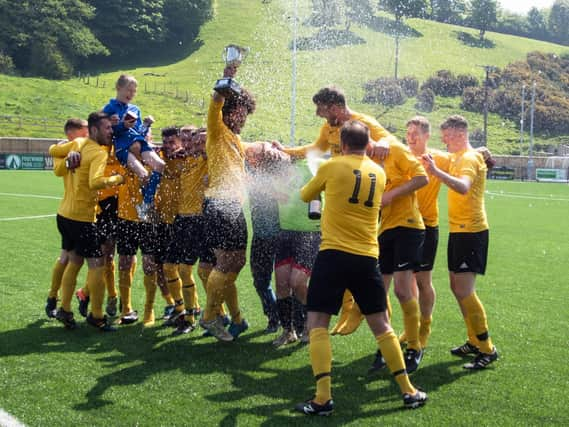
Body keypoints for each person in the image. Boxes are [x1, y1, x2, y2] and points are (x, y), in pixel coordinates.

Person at [294, 120, 427, 416]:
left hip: (333, 255)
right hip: (367, 257)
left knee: (317, 324)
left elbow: (306, 196)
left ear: (342, 144)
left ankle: (322, 398)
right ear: (368, 145)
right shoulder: (378, 172)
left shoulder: (331, 167)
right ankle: (408, 390)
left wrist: (320, 187)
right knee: (382, 325)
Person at [272, 85, 392, 335]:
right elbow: (314, 150)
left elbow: (389, 139)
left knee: (364, 262)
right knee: (344, 259)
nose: (318, 114)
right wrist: (285, 151)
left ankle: (370, 313)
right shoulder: (328, 129)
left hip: (362, 203)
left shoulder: (362, 123)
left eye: (321, 109)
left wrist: (384, 143)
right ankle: (350, 309)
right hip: (339, 205)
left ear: (335, 108)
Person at [199, 64, 285, 342]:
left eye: (246, 114)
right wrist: (229, 73)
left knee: (232, 263)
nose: (244, 118)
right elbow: (216, 101)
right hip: (222, 205)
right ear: (230, 110)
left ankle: (224, 315)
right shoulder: (217, 128)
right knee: (227, 264)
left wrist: (272, 146)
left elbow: (252, 149)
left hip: (227, 206)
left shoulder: (234, 138)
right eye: (242, 113)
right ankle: (210, 316)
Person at [421, 115, 499, 369]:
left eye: (446, 137)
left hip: (472, 233)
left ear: (458, 134)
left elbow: (464, 186)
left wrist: (435, 172)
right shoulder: (461, 154)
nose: (443, 141)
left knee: (465, 290)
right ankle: (474, 340)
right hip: (458, 231)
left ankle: (487, 349)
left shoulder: (467, 158)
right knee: (457, 288)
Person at [48, 112, 123, 331]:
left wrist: (63, 150)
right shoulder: (98, 153)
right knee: (97, 265)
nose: (111, 131)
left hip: (64, 215)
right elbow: (95, 183)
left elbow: (53, 150)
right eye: (107, 128)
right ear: (94, 130)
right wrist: (118, 178)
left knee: (74, 261)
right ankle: (97, 316)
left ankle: (65, 308)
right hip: (82, 218)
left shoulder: (78, 143)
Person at [103, 74, 165, 221]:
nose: (131, 94)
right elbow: (105, 132)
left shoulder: (135, 109)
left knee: (160, 165)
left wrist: (146, 124)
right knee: (143, 175)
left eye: (134, 91)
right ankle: (141, 205)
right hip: (123, 148)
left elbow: (139, 132)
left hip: (138, 142)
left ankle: (146, 204)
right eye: (128, 90)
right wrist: (120, 125)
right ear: (118, 88)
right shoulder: (109, 108)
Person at [273, 158, 320, 347]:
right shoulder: (272, 171)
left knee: (297, 282)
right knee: (282, 283)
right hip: (285, 232)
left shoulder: (310, 167)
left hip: (309, 233)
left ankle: (311, 324)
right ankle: (288, 331)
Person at [45, 118, 88, 318]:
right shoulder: (64, 149)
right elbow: (58, 171)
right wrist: (69, 158)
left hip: (68, 213)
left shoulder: (80, 147)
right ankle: (64, 302)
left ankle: (53, 298)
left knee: (65, 257)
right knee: (77, 260)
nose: (88, 134)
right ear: (73, 133)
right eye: (85, 130)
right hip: (73, 214)